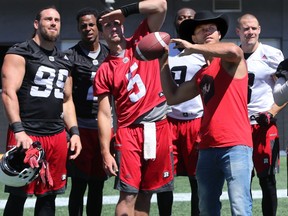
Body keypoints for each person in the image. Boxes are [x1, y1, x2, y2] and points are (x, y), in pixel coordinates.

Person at [159, 11, 254, 215]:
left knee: (240, 207)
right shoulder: (201, 73)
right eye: (201, 30)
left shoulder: (230, 58)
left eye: (211, 28)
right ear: (193, 37)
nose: (207, 32)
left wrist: (192, 48)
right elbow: (173, 97)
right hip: (207, 147)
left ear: (219, 34)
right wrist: (163, 62)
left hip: (236, 144)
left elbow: (234, 51)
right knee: (206, 209)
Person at [94, 0, 174, 215]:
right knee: (128, 193)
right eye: (108, 25)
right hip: (129, 131)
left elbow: (161, 5)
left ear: (123, 25)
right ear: (101, 33)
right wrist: (105, 152)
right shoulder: (104, 69)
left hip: (158, 125)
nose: (113, 27)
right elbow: (103, 114)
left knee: (147, 192)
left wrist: (124, 11)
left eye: (117, 23)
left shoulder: (141, 41)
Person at [1, 6, 82, 216]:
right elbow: (8, 93)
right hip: (27, 132)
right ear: (37, 24)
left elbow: (67, 100)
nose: (53, 23)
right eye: (48, 19)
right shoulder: (20, 52)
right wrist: (19, 130)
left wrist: (74, 132)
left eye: (57, 20)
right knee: (19, 194)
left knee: (49, 194)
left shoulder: (65, 60)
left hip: (55, 135)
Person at [64, 8, 112, 216]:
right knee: (79, 184)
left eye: (91, 24)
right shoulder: (70, 56)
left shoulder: (109, 54)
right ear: (78, 28)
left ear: (98, 27)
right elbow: (66, 97)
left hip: (102, 126)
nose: (88, 28)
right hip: (81, 125)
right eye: (83, 25)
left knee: (97, 184)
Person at [156, 7, 204, 216]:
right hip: (169, 119)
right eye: (181, 17)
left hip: (196, 120)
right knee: (164, 178)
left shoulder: (203, 50)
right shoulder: (166, 48)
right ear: (175, 22)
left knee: (198, 179)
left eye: (189, 18)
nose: (185, 20)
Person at [236, 14, 285, 216]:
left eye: (254, 28)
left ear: (260, 29)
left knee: (267, 179)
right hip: (237, 126)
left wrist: (272, 112)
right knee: (241, 181)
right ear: (238, 31)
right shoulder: (231, 53)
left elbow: (285, 90)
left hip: (263, 124)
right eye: (246, 29)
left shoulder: (272, 54)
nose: (250, 32)